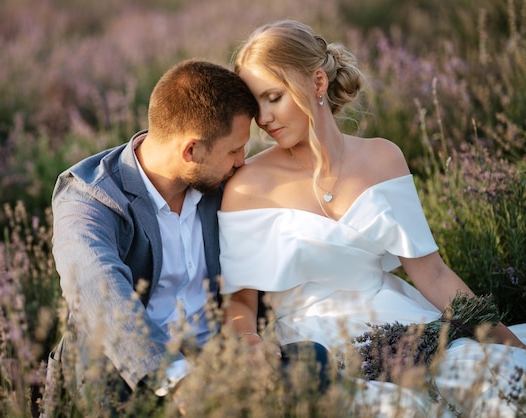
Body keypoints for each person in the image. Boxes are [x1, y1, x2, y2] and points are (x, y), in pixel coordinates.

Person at [219, 20, 526, 416]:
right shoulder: (247, 186)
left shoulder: (383, 157)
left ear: (317, 82)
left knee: (497, 384)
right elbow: (240, 299)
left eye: (273, 97)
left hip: (405, 322)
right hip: (318, 340)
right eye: (254, 104)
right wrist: (251, 347)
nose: (263, 118)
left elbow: (432, 274)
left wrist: (506, 343)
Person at [45, 59, 258, 415]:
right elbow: (96, 288)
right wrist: (178, 378)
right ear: (191, 151)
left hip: (219, 359)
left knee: (310, 358)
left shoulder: (223, 183)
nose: (242, 163)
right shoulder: (89, 195)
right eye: (234, 151)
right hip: (132, 374)